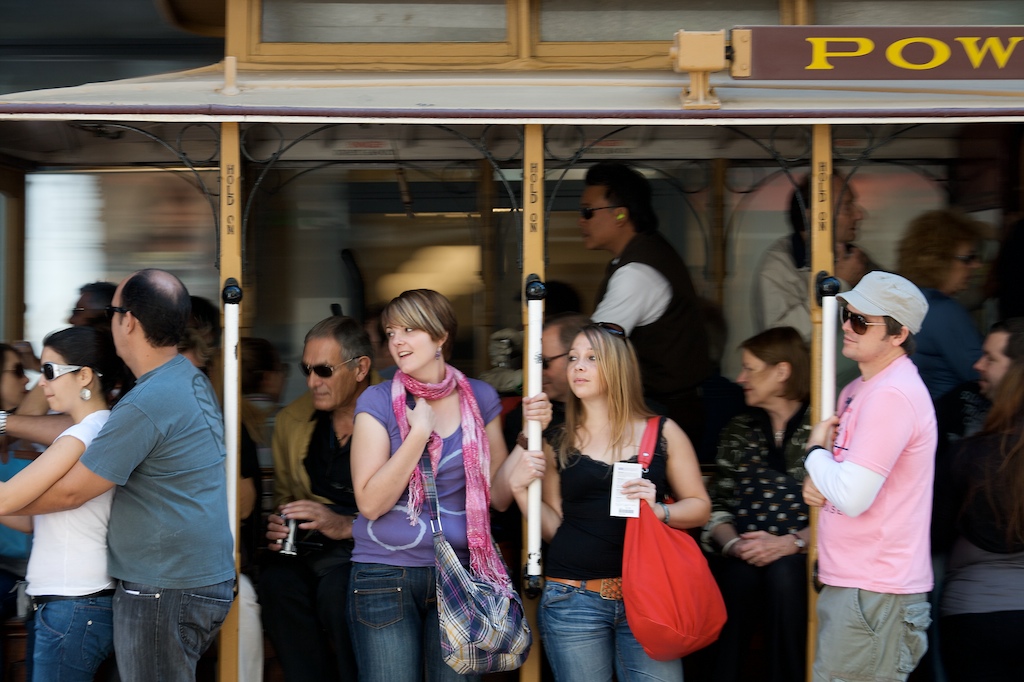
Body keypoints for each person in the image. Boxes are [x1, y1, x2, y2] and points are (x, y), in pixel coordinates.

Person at [11, 268, 235, 681]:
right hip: (196, 579)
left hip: (163, 586)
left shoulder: (147, 401)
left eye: (112, 311)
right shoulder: (187, 381)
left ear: (128, 321)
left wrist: (10, 500)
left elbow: (71, 493)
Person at [348, 288, 550, 682]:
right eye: (391, 332)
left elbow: (499, 496)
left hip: (461, 572)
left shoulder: (481, 397)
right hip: (385, 573)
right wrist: (418, 433)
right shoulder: (375, 401)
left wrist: (529, 436)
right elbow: (371, 503)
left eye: (410, 329)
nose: (398, 341)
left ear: (441, 336)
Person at [511, 322, 710, 682]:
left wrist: (660, 510)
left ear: (618, 367)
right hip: (572, 598)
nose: (578, 367)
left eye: (591, 358)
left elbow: (700, 506)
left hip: (649, 598)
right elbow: (557, 528)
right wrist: (521, 493)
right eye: (573, 358)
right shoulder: (559, 439)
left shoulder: (661, 431)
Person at [802, 271, 935, 682]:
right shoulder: (861, 389)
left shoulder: (892, 395)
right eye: (847, 313)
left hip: (875, 589)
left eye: (861, 321)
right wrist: (822, 476)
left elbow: (852, 495)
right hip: (859, 585)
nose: (846, 325)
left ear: (898, 334)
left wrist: (814, 454)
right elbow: (834, 487)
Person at [0, 327, 122, 680]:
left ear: (84, 375)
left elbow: (7, 499)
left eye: (50, 371)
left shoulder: (80, 435)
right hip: (73, 602)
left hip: (71, 604)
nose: (41, 383)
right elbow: (29, 519)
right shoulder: (102, 429)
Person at [259, 317, 372, 682]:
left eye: (323, 370)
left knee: (339, 593)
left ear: (361, 368)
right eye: (306, 369)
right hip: (312, 547)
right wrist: (279, 523)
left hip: (372, 547)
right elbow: (285, 498)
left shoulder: (398, 414)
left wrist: (344, 524)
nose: (311, 382)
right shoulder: (293, 419)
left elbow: (417, 509)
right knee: (276, 581)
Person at [702, 326, 811, 682]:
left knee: (785, 575)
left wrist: (790, 544)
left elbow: (840, 511)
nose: (740, 378)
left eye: (749, 368)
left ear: (782, 371)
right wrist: (732, 543)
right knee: (737, 578)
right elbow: (717, 505)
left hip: (805, 552)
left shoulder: (824, 427)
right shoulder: (740, 428)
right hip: (743, 552)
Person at [581, 161, 710, 444]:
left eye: (588, 212)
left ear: (620, 215)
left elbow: (594, 349)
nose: (581, 221)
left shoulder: (636, 273)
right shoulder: (644, 254)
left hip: (664, 418)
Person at [937, 355, 1024, 681]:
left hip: (972, 614)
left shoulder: (967, 455)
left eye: (991, 358)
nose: (978, 365)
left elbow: (933, 536)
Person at [754, 174, 870, 341]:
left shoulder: (855, 259)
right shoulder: (778, 267)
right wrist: (838, 284)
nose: (859, 215)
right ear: (814, 215)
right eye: (847, 206)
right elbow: (779, 342)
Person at [898, 208, 986, 400]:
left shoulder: (909, 302)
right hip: (948, 421)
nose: (977, 265)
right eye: (968, 258)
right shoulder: (944, 311)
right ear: (939, 260)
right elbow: (985, 375)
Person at [0, 342, 34, 680]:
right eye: (17, 372)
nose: (26, 381)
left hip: (33, 573)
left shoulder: (34, 433)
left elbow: (26, 523)